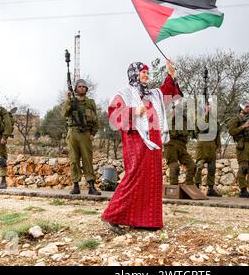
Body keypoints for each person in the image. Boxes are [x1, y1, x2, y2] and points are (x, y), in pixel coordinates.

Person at [101, 60, 179, 233]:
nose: (146, 75)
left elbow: (167, 90)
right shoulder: (125, 94)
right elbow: (114, 115)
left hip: (154, 143)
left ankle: (145, 221)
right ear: (134, 74)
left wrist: (170, 73)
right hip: (137, 143)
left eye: (147, 72)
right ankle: (112, 216)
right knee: (134, 177)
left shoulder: (152, 94)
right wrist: (133, 111)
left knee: (152, 180)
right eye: (143, 72)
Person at [62, 78, 100, 195]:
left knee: (87, 159)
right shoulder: (71, 101)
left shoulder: (90, 102)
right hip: (73, 132)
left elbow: (96, 119)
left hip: (86, 134)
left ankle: (91, 186)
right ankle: (75, 185)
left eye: (84, 86)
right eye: (80, 86)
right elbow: (64, 113)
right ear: (76, 88)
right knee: (74, 159)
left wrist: (93, 133)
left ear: (86, 89)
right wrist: (67, 99)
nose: (82, 88)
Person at [163, 99, 196, 186]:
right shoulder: (168, 114)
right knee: (174, 166)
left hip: (182, 145)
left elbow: (191, 130)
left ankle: (189, 186)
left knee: (192, 165)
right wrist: (171, 115)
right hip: (171, 143)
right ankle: (173, 188)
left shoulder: (184, 118)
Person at [193, 103, 222, 197]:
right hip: (202, 145)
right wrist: (205, 114)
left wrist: (219, 147)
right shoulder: (199, 119)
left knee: (212, 168)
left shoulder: (215, 121)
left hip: (212, 145)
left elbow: (217, 135)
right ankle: (196, 187)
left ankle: (210, 189)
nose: (209, 109)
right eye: (207, 107)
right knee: (199, 166)